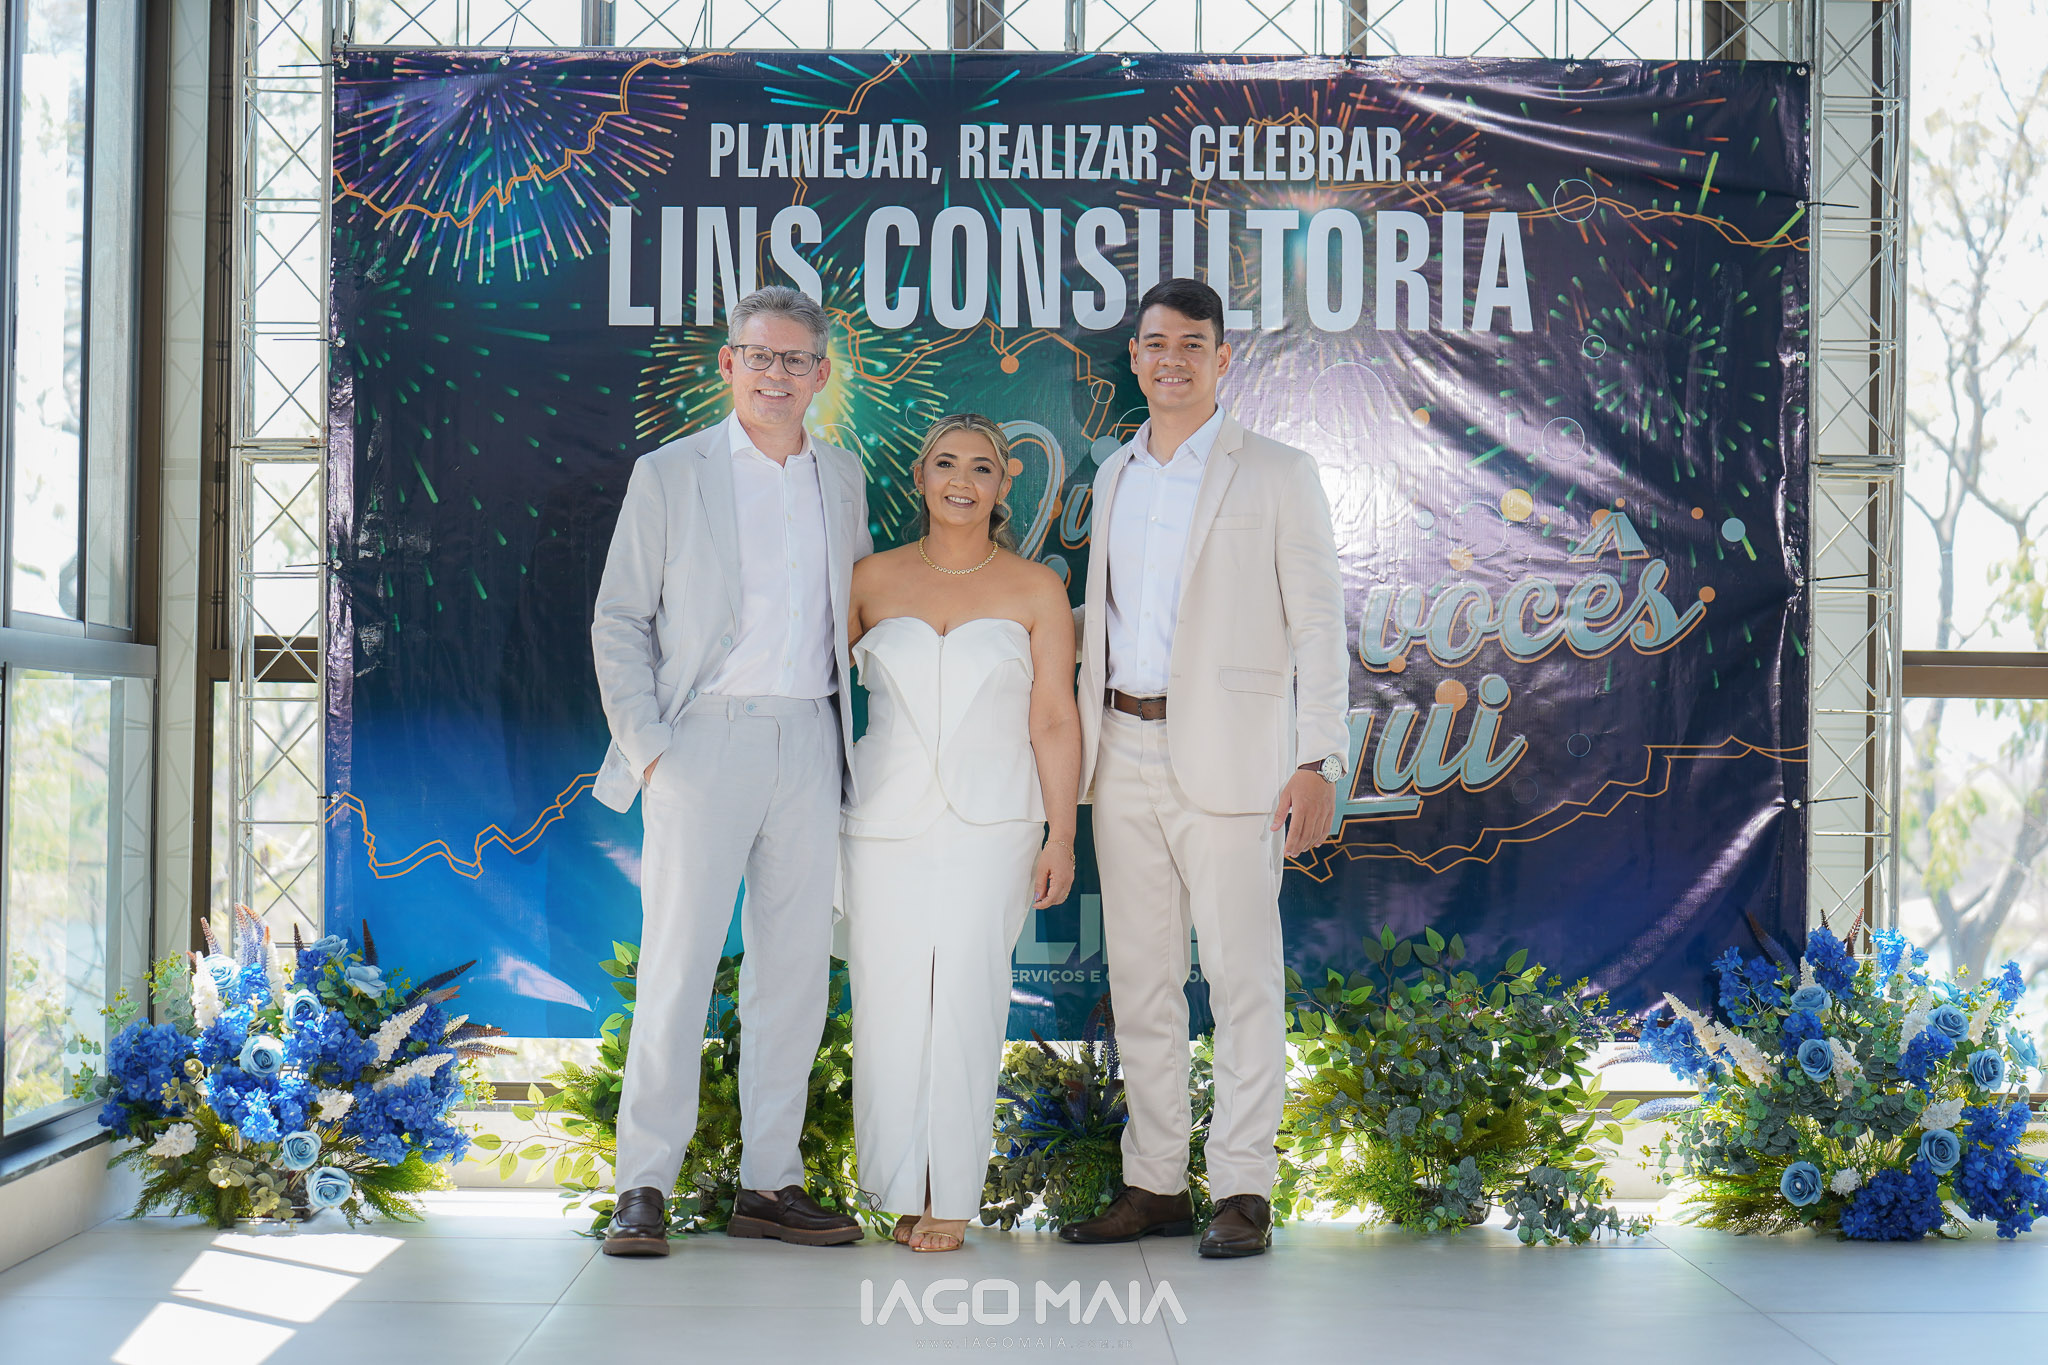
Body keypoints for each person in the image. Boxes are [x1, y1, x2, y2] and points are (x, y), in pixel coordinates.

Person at [1059, 278, 1349, 1258]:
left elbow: (1318, 625)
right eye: (1155, 343)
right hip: (1118, 749)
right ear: (1134, 358)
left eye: (1191, 343)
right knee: (1140, 980)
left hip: (1234, 759)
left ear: (1223, 359)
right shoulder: (1114, 474)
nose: (1171, 359)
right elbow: (1110, 620)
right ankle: (1154, 1183)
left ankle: (1241, 1188)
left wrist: (1317, 758)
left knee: (1240, 980)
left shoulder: (1277, 471)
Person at [589, 285, 873, 1256]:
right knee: (677, 967)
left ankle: (769, 1184)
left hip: (810, 738)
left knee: (791, 975)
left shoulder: (842, 476)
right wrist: (650, 748)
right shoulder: (672, 473)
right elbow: (620, 617)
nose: (775, 375)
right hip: (700, 740)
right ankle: (643, 1185)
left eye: (794, 359)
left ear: (821, 373)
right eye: (758, 355)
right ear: (728, 364)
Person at [840, 413, 1081, 1253]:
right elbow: (818, 697)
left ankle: (950, 1195)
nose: (961, 481)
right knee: (887, 1002)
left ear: (1005, 481)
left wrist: (1061, 835)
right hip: (881, 823)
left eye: (982, 467)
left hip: (995, 822)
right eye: (946, 463)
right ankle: (899, 1188)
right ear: (920, 476)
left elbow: (1054, 718)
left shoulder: (1036, 589)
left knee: (970, 1000)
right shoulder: (868, 579)